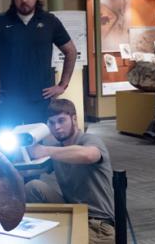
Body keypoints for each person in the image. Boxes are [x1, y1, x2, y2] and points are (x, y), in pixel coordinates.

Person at [0, 0, 77, 129]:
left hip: (40, 100)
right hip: (9, 100)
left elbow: (71, 51)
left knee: (37, 147)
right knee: (6, 147)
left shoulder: (50, 21)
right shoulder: (0, 22)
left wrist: (62, 85)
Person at [24, 99, 115, 244]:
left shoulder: (90, 140)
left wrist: (44, 150)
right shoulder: (58, 149)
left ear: (74, 119)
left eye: (61, 121)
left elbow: (88, 155)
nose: (57, 127)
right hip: (71, 213)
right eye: (52, 123)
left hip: (98, 223)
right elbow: (29, 171)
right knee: (33, 186)